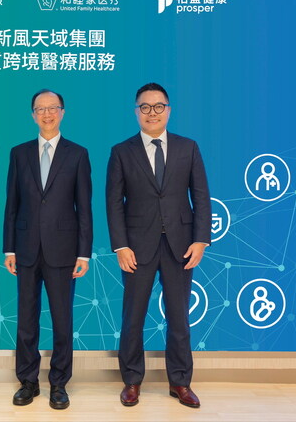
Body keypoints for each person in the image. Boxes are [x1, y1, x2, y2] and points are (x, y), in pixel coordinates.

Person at [106, 83, 211, 408]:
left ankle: (180, 382)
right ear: (136, 112)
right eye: (145, 107)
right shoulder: (121, 151)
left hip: (181, 245)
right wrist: (121, 245)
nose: (152, 112)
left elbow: (201, 196)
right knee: (133, 316)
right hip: (137, 247)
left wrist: (200, 239)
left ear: (168, 110)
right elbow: (113, 203)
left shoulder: (188, 147)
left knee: (179, 317)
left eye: (158, 106)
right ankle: (132, 381)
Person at [3, 89, 93, 410]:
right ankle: (28, 381)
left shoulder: (78, 154)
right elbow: (11, 205)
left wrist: (84, 252)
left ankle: (59, 383)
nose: (46, 114)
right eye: (40, 109)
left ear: (62, 112)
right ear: (32, 115)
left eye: (52, 108)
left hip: (64, 251)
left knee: (61, 318)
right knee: (26, 319)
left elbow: (84, 208)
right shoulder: (19, 153)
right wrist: (8, 248)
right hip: (25, 249)